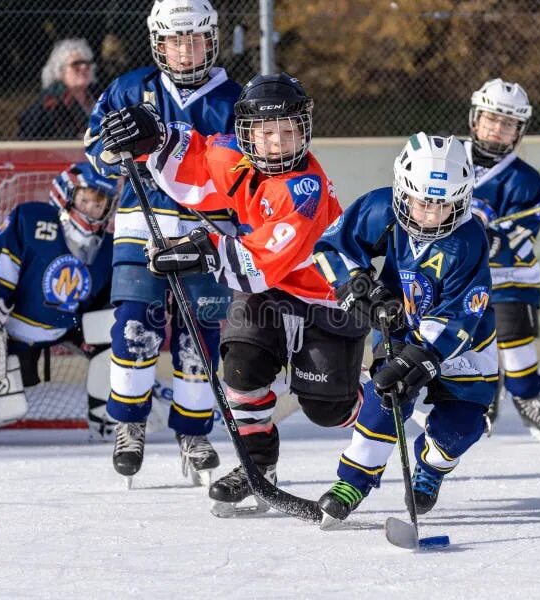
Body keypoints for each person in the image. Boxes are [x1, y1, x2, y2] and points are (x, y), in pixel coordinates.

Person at [98, 72, 370, 516]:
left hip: (324, 298)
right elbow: (197, 155)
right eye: (266, 133)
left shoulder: (305, 189)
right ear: (247, 134)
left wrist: (199, 251)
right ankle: (257, 468)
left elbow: (263, 263)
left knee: (327, 410)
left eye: (289, 131)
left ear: (305, 131)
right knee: (241, 367)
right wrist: (153, 135)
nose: (277, 143)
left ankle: (377, 404)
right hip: (265, 292)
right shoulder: (234, 155)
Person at [85, 0, 243, 485]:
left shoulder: (235, 98)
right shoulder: (130, 89)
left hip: (204, 228)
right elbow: (94, 150)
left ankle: (193, 434)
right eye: (176, 40)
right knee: (137, 325)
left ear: (211, 41)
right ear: (160, 43)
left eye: (195, 38)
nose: (186, 49)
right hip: (140, 221)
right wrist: (112, 148)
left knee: (201, 335)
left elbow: (240, 168)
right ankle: (128, 426)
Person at [311, 133, 497, 524]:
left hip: (463, 346)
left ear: (460, 200)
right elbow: (332, 246)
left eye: (442, 205)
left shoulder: (468, 239)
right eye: (421, 201)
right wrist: (355, 285)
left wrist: (421, 357)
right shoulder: (382, 208)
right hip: (396, 325)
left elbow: (463, 313)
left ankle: (430, 468)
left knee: (460, 428)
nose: (430, 214)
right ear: (403, 191)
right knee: (385, 398)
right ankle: (353, 481)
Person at [0, 162, 120, 440]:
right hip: (10, 328)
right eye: (85, 198)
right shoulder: (32, 219)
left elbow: (104, 301)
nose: (91, 207)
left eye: (99, 202)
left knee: (120, 331)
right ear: (66, 194)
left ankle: (110, 421)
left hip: (66, 329)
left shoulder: (109, 248)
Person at [466, 78, 540, 443]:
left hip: (509, 275)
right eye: (492, 119)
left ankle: (527, 397)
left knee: (514, 336)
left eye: (507, 123)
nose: (497, 128)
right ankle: (478, 398)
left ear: (519, 131)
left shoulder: (528, 182)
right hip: (458, 277)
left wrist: (495, 240)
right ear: (475, 118)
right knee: (463, 339)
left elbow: (523, 238)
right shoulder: (446, 158)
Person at [19, 39, 100, 139]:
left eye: (87, 63)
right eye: (76, 64)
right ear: (60, 71)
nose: (83, 67)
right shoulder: (50, 103)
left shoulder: (99, 98)